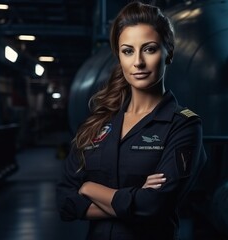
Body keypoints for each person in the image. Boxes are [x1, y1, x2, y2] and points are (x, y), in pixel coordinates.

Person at [56, 1, 207, 239]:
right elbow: (65, 200)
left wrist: (90, 188)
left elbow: (154, 206)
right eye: (128, 51)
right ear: (119, 57)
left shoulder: (184, 125)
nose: (138, 62)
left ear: (169, 53)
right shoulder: (98, 122)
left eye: (149, 49)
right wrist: (132, 201)